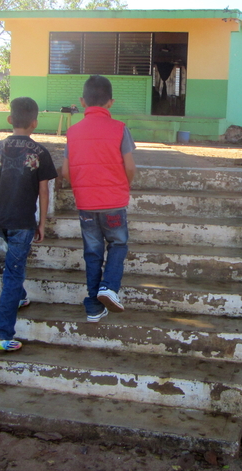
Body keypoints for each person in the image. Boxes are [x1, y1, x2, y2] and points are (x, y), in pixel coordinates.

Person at [0, 96, 58, 351]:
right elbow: (44, 192)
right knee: (13, 273)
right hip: (22, 222)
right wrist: (42, 223)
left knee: (13, 259)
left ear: (10, 119)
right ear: (34, 123)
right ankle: (0, 336)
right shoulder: (41, 153)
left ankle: (20, 298)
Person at [62, 75, 137, 323]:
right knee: (117, 244)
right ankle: (109, 287)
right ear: (110, 102)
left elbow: (65, 172)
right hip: (114, 201)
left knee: (92, 252)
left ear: (82, 102)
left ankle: (94, 306)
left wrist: (82, 189)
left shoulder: (72, 132)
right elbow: (130, 166)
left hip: (86, 204)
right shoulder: (120, 128)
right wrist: (122, 186)